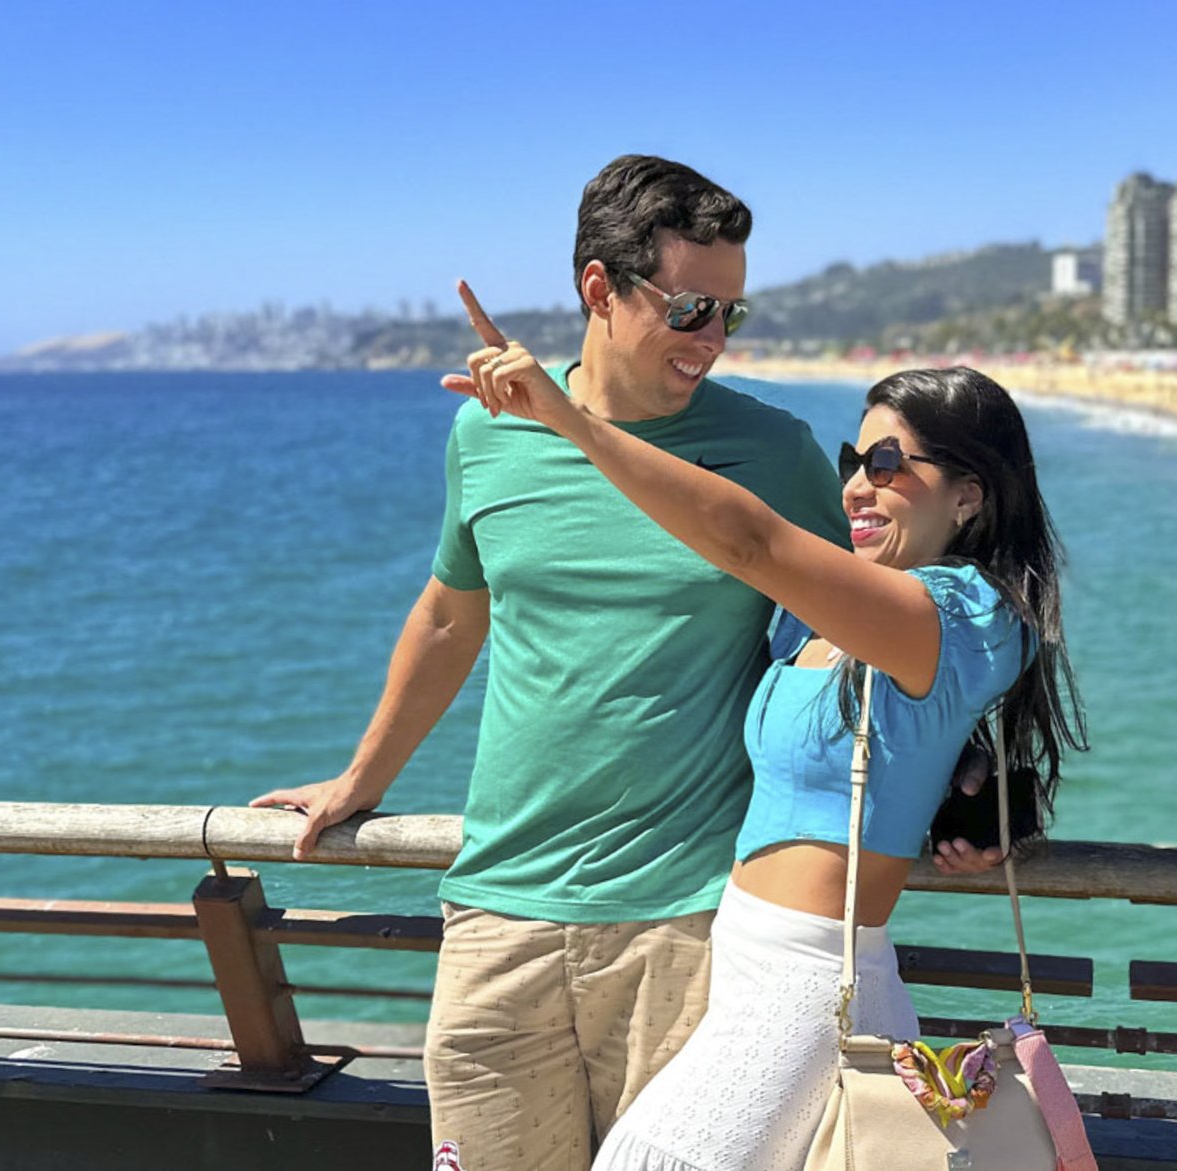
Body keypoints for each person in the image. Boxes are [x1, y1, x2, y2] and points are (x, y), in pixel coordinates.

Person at [249, 155, 998, 1171]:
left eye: (730, 313)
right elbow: (448, 618)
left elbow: (880, 625)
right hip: (498, 908)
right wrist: (360, 779)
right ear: (599, 288)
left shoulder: (773, 453)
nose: (712, 339)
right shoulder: (485, 434)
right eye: (690, 308)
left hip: (687, 921)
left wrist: (968, 781)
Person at [447, 321, 1085, 1171]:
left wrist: (572, 421)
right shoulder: (830, 612)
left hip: (812, 989)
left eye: (886, 464)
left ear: (968, 494)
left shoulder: (975, 616)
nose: (856, 486)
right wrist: (963, 781)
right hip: (741, 967)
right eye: (852, 460)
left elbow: (748, 540)